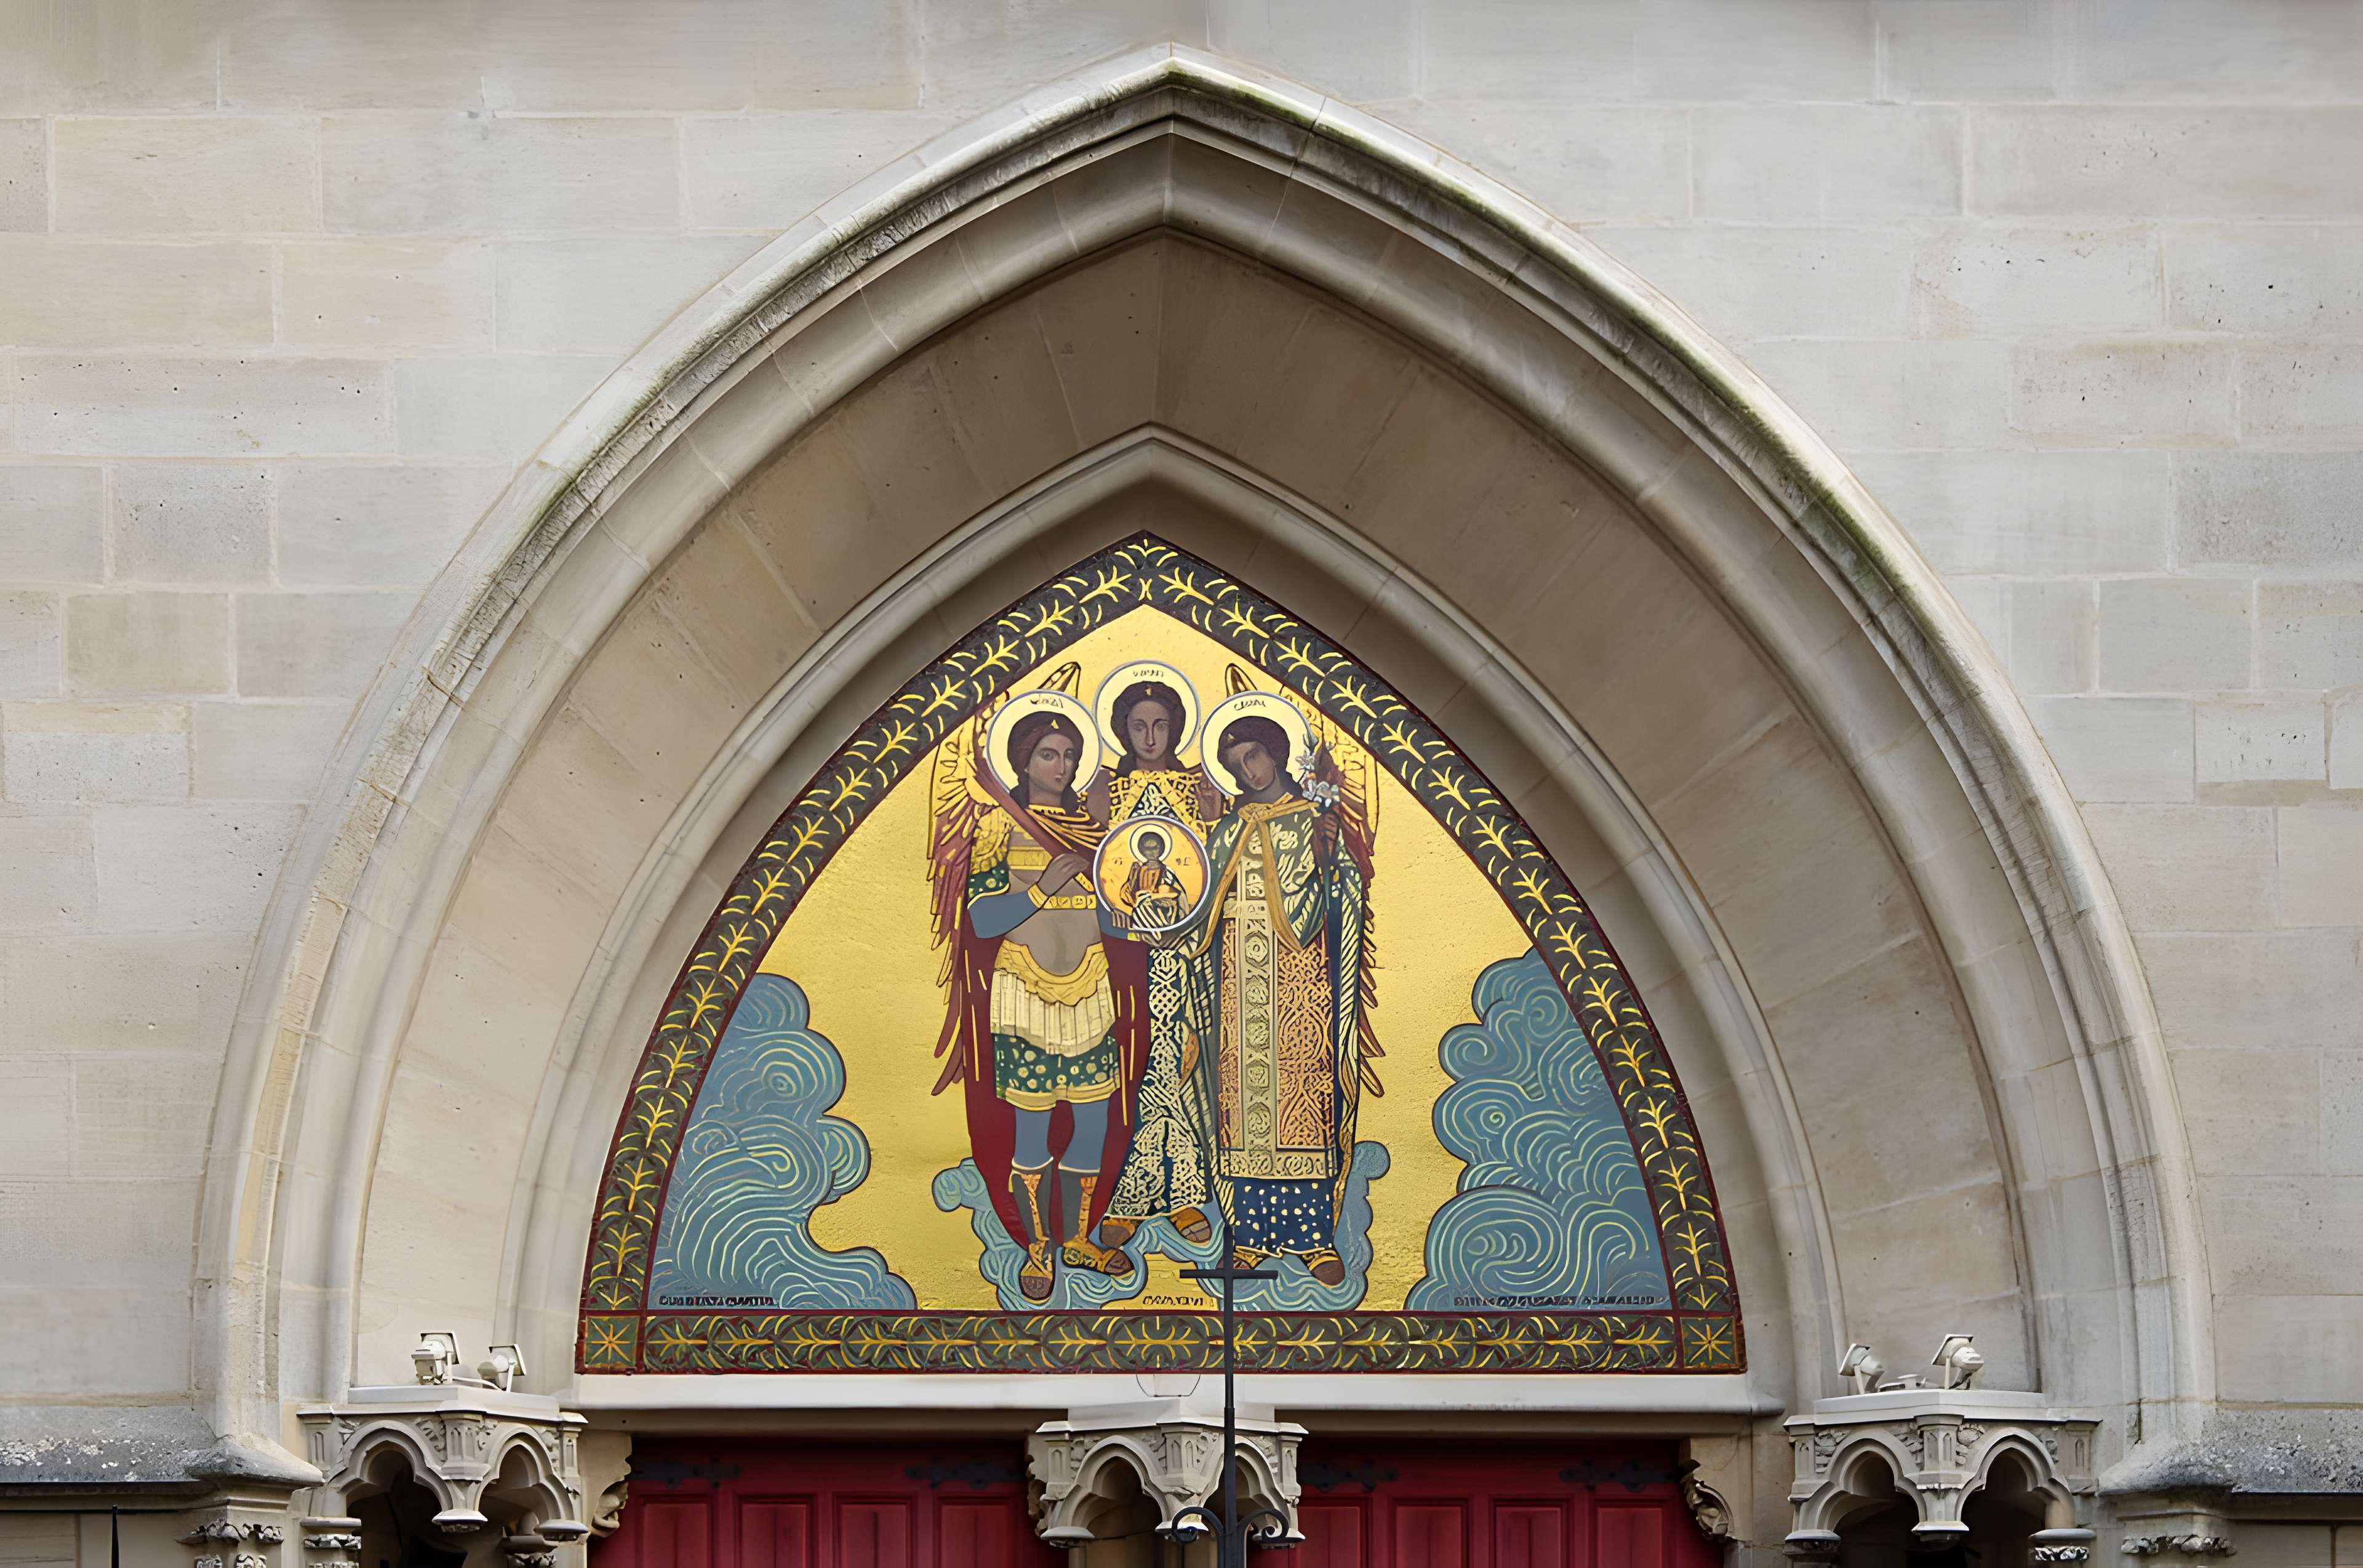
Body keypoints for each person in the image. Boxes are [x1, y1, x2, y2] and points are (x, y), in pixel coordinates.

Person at [930, 707, 1141, 1302]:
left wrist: (1148, 914)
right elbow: (980, 917)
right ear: (1022, 761)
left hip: (1091, 988)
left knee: (1093, 1124)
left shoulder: (1092, 830)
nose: (1063, 766)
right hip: (1025, 991)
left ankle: (1075, 1239)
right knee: (1032, 1126)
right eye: (1050, 755)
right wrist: (1045, 887)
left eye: (1071, 756)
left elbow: (1110, 917)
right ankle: (1038, 1247)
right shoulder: (1001, 826)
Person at [1174, 713, 1376, 1287]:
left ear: (1278, 753)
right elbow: (1199, 906)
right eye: (1237, 763)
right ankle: (1252, 1237)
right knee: (1242, 1107)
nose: (1248, 769)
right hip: (1237, 974)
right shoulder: (1226, 830)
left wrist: (1329, 862)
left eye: (1254, 755)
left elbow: (1345, 897)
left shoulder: (1315, 818)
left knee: (1301, 1104)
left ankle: (1313, 1241)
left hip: (1300, 976)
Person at [1092, 678, 1220, 1248]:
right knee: (1137, 1068)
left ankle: (1182, 1196)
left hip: (1187, 954)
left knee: (1184, 1066)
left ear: (1176, 728)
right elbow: (1098, 869)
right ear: (1123, 729)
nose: (1149, 737)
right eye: (1138, 726)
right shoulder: (1107, 789)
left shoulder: (1196, 787)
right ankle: (1133, 1197)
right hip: (1126, 958)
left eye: (1160, 725)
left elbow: (1210, 864)